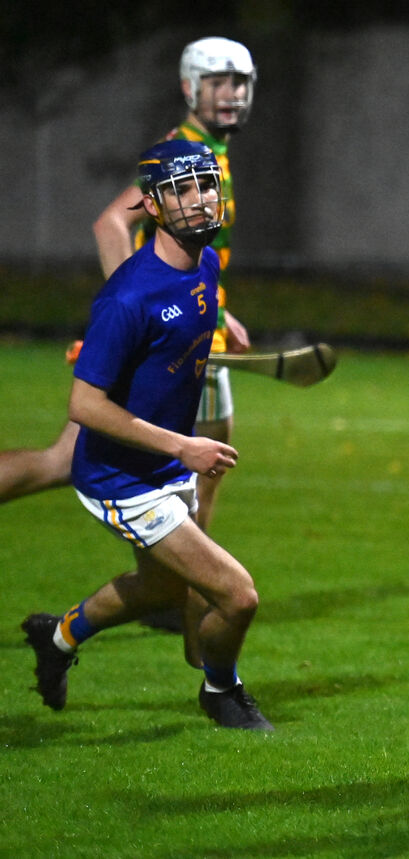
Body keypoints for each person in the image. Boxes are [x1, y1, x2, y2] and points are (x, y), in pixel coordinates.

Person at [20, 139, 272, 731]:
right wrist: (183, 446)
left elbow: (184, 318)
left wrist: (221, 323)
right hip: (122, 478)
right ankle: (221, 691)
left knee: (159, 590)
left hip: (161, 468)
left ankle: (55, 639)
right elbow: (84, 404)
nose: (199, 200)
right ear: (151, 206)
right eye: (181, 191)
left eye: (206, 185)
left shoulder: (205, 265)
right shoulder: (127, 297)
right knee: (237, 595)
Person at [0, 37, 256, 520]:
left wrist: (220, 309)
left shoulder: (209, 149)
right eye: (218, 83)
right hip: (171, 335)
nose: (231, 94)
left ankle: (185, 587)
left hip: (192, 322)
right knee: (207, 459)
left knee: (62, 462)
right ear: (190, 88)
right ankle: (191, 591)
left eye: (240, 83)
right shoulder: (186, 155)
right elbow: (112, 222)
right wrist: (142, 310)